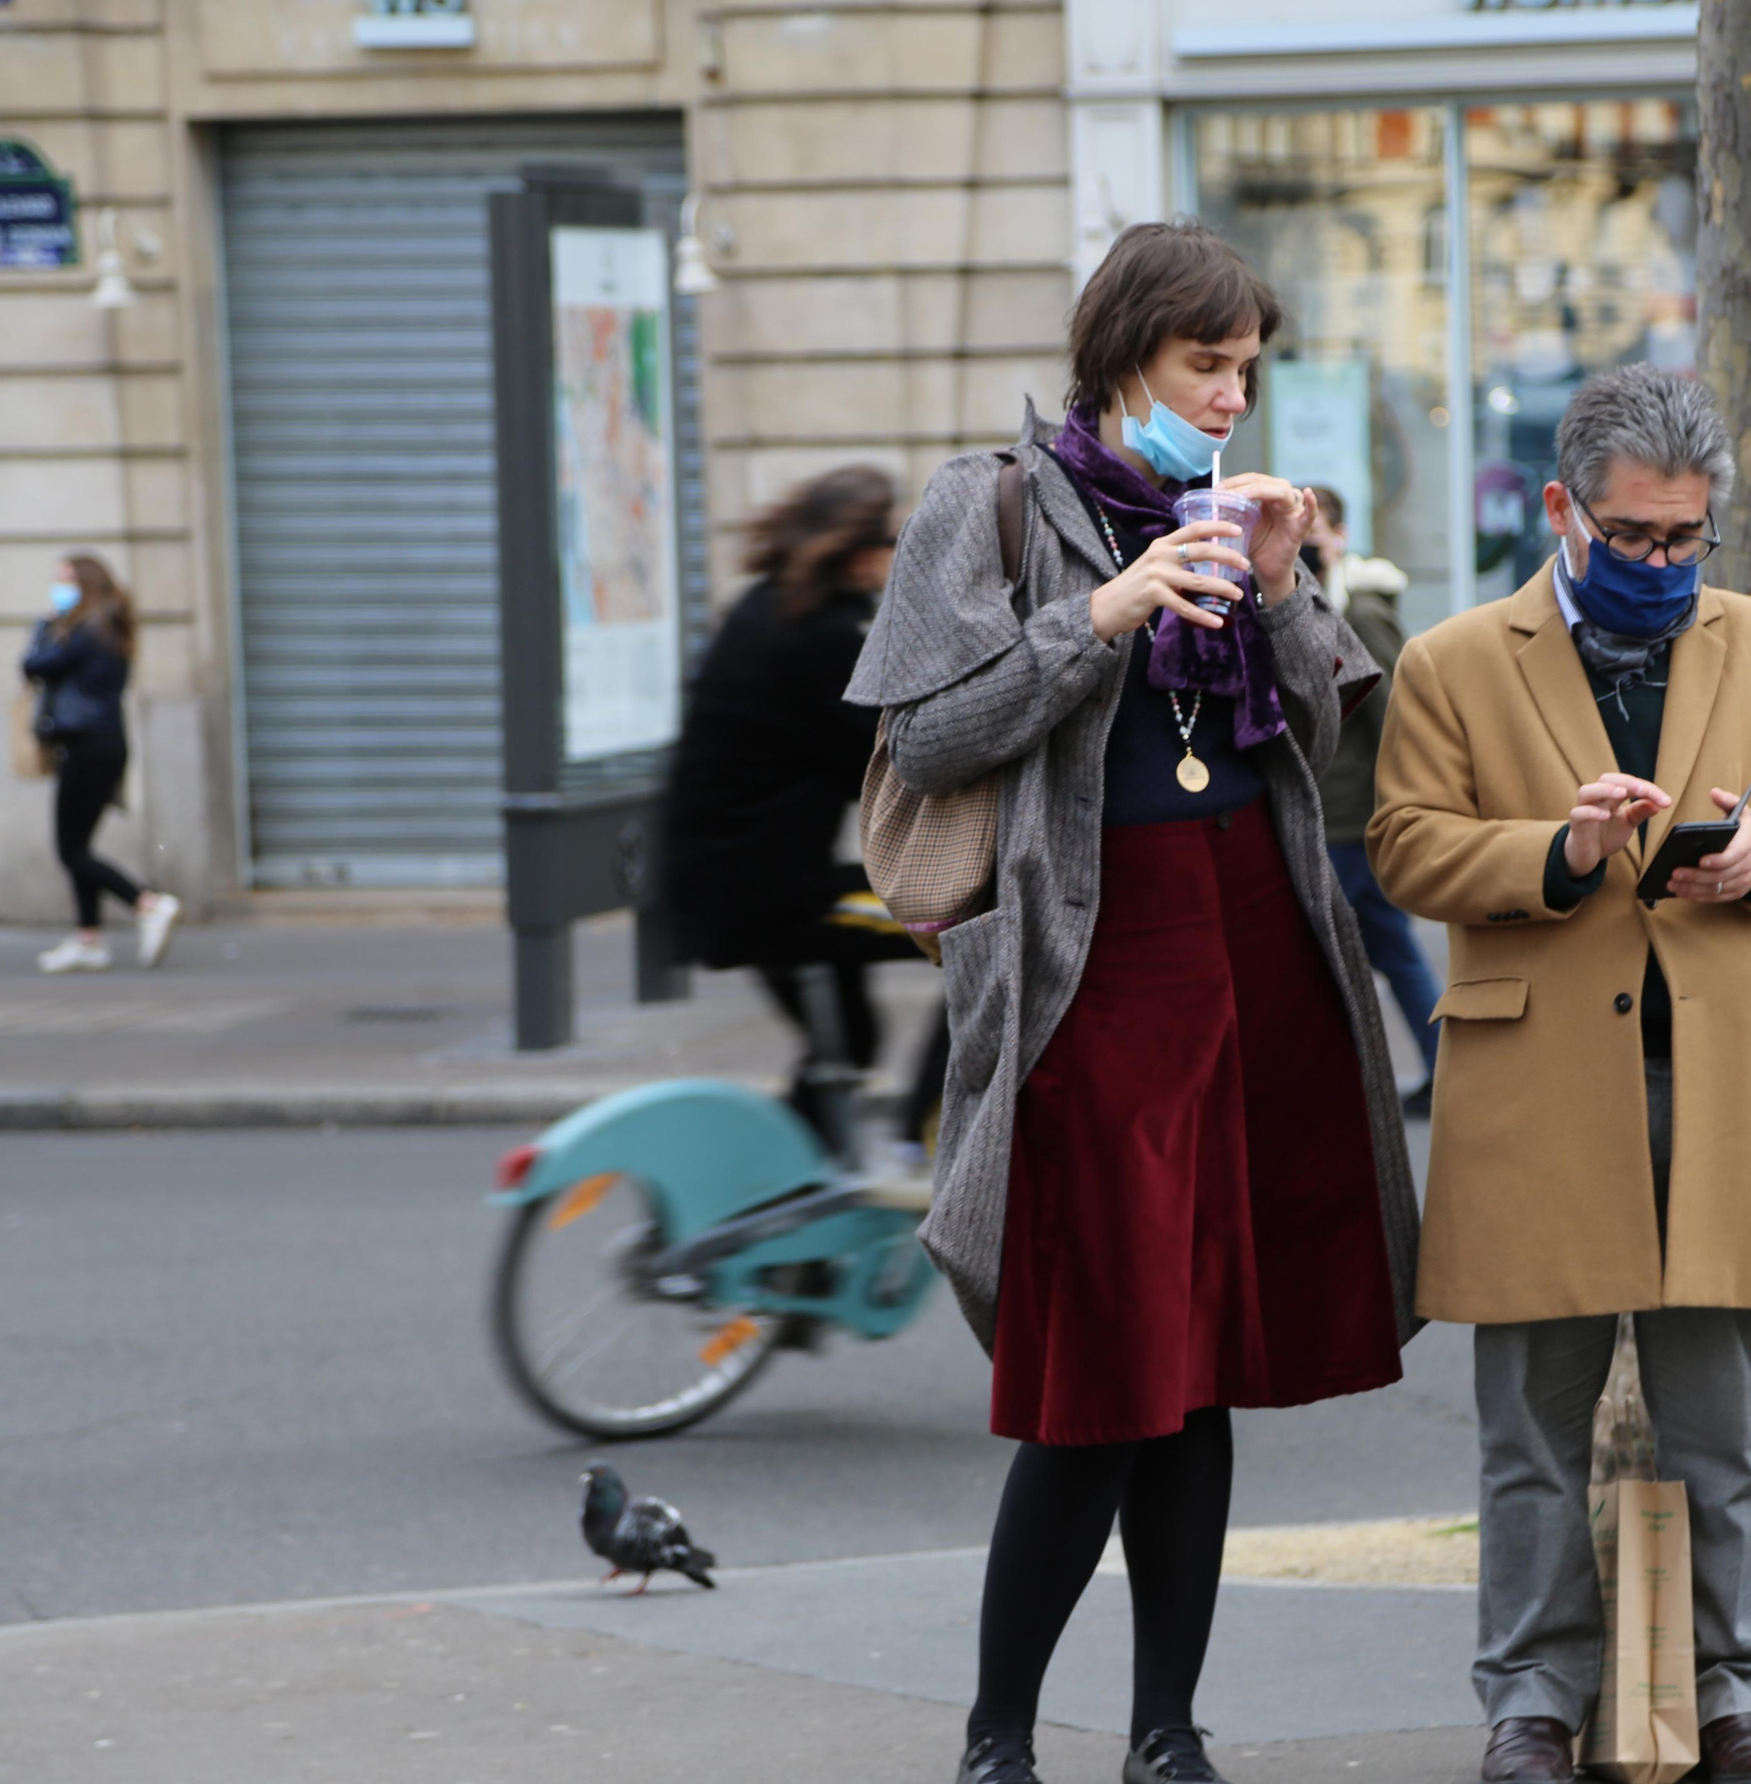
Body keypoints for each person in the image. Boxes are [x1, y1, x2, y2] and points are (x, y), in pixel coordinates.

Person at [847, 219, 1419, 1784]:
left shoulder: (1235, 512)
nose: (1231, 397)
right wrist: (1103, 614)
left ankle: (1168, 1731)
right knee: (1104, 1364)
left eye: (1247, 369)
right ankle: (999, 1737)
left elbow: (1314, 739)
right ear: (1121, 357)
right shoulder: (996, 503)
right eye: (1203, 364)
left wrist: (1291, 590)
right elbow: (934, 730)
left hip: (1257, 940)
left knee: (1201, 1364)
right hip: (1092, 968)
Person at [1369, 366, 1751, 1784]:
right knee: (1530, 1429)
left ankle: (1732, 1698)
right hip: (1535, 1094)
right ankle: (1531, 1700)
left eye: (1686, 537)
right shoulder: (1455, 660)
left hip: (1723, 1085)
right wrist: (1560, 850)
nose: (1663, 562)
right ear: (1560, 509)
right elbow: (1406, 843)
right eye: (1635, 536)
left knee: (1724, 1426)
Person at [661, 465, 945, 1152]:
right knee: (972, 928)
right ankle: (922, 1145)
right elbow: (892, 762)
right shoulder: (813, 638)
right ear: (856, 551)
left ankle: (786, 1216)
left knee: (847, 1038)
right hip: (775, 898)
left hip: (732, 887)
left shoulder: (774, 607)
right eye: (893, 538)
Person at [1305, 486, 1441, 1116]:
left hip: (1350, 818)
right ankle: (1441, 1064)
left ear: (1340, 534)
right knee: (1388, 948)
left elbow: (1392, 710)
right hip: (1340, 813)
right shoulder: (1324, 604)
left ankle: (1341, 1089)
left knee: (1324, 954)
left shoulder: (1357, 613)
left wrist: (1397, 803)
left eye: (1318, 529)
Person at [21, 553, 180, 975]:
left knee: (70, 849)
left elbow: (33, 664)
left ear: (86, 585)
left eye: (66, 580)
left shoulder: (83, 633)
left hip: (86, 746)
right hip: (104, 743)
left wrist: (43, 624)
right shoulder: (108, 627)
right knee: (78, 847)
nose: (58, 587)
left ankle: (146, 902)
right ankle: (88, 939)